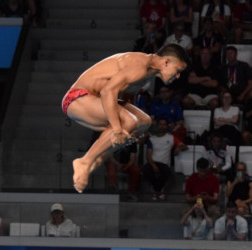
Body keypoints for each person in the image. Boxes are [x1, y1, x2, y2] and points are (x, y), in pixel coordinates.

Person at [62, 44, 188, 193]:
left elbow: (122, 97)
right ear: (166, 62)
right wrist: (117, 128)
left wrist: (129, 131)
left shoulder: (148, 71)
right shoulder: (138, 67)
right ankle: (85, 162)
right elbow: (108, 91)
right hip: (77, 98)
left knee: (144, 122)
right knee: (128, 121)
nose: (178, 76)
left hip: (96, 100)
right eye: (178, 70)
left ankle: (102, 156)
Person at [143, 117, 188, 201]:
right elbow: (148, 155)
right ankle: (159, 190)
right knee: (146, 171)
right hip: (153, 162)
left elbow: (185, 146)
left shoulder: (171, 138)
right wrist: (153, 166)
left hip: (164, 164)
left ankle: (155, 190)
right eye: (160, 124)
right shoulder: (152, 138)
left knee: (167, 172)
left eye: (164, 124)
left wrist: (178, 147)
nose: (162, 126)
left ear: (167, 126)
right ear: (157, 125)